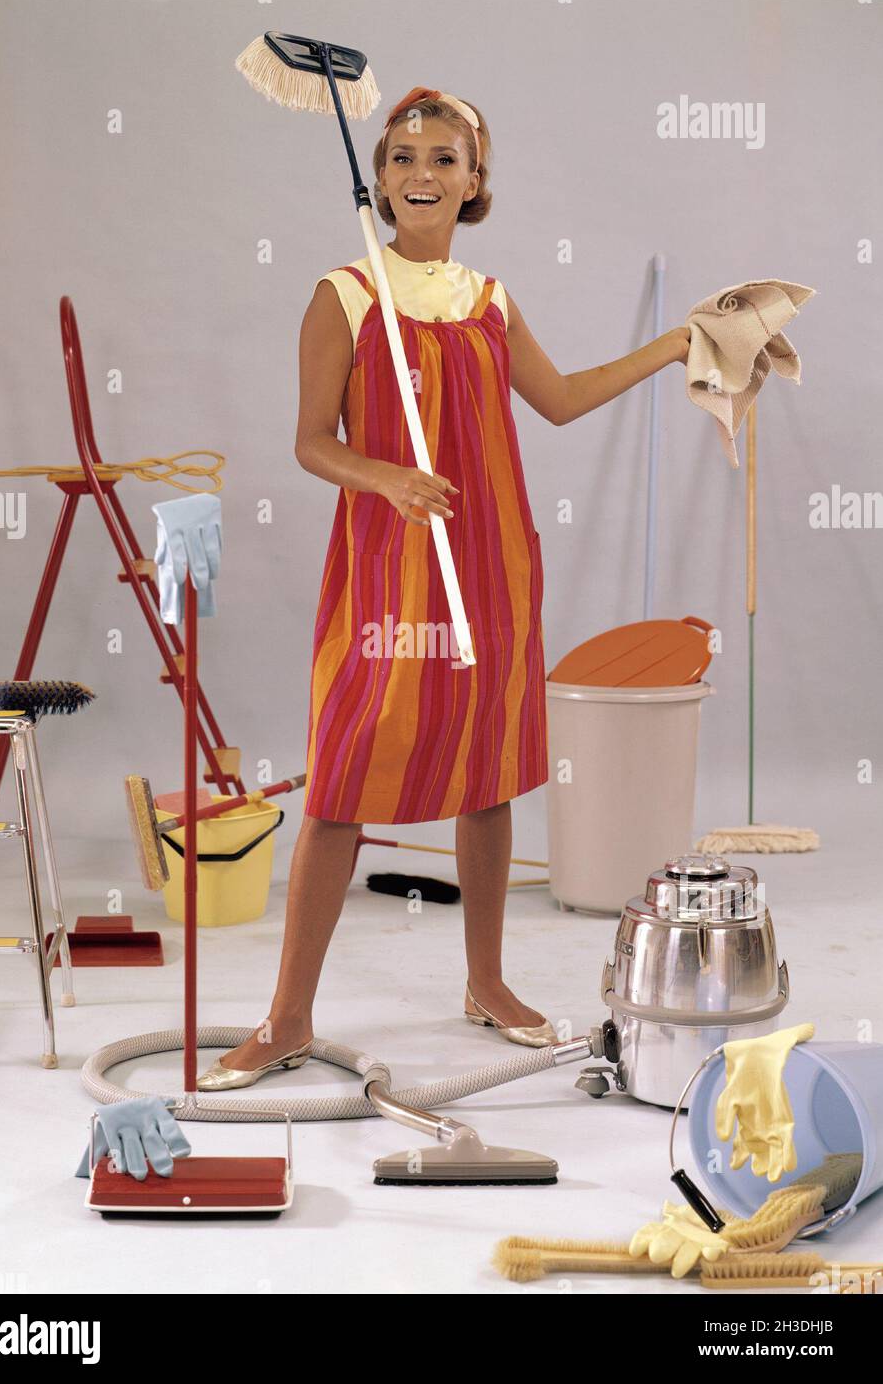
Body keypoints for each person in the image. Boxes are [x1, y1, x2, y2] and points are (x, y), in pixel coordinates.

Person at [198, 86, 689, 1090]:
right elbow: (309, 441)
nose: (422, 174)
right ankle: (288, 1014)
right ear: (377, 178)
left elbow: (556, 403)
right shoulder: (345, 293)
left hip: (492, 562)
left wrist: (675, 344)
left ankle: (487, 982)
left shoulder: (488, 300)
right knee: (341, 779)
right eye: (404, 157)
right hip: (390, 568)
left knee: (490, 771)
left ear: (475, 183)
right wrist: (385, 476)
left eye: (445, 159)